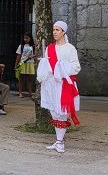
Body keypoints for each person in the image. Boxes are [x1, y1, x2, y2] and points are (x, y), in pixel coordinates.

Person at [37, 21, 81, 153]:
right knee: (54, 112)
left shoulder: (70, 48)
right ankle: (57, 140)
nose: (55, 32)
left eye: (57, 30)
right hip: (51, 84)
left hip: (63, 84)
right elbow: (47, 66)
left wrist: (62, 67)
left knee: (62, 113)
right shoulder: (49, 48)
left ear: (63, 32)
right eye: (54, 29)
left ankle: (60, 142)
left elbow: (76, 67)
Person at [14, 33, 37, 99]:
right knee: (21, 79)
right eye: (25, 38)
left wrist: (32, 56)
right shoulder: (21, 46)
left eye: (27, 38)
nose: (26, 39)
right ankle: (20, 93)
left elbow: (36, 54)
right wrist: (16, 64)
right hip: (23, 63)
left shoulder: (33, 46)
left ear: (30, 38)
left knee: (29, 80)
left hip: (30, 63)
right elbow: (18, 55)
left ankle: (30, 93)